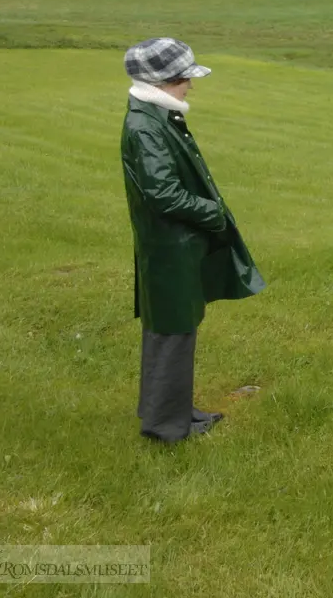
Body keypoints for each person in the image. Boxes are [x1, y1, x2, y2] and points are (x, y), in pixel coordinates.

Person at [121, 38, 266, 443]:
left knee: (177, 327)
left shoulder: (155, 116)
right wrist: (212, 212)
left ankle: (175, 413)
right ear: (165, 81)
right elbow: (162, 194)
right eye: (185, 77)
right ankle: (166, 427)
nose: (190, 84)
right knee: (171, 331)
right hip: (170, 248)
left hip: (174, 245)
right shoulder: (146, 127)